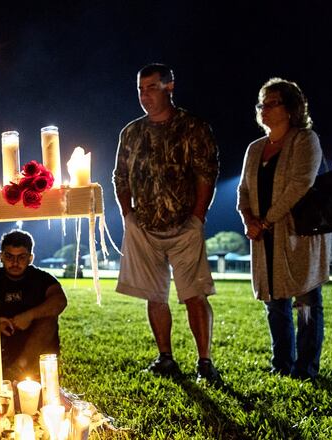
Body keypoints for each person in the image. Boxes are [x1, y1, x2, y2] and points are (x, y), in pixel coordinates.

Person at [112, 63, 221, 383]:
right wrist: (127, 215)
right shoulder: (131, 132)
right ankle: (166, 357)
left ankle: (204, 362)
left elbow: (206, 174)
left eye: (151, 88)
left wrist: (197, 218)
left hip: (185, 225)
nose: (145, 95)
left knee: (194, 294)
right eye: (140, 89)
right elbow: (121, 176)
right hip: (144, 227)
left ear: (169, 87)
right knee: (154, 295)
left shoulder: (192, 127)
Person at [237, 78, 332, 379]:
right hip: (264, 237)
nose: (263, 109)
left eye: (271, 103)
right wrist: (249, 221)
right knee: (274, 303)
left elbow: (299, 185)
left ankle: (305, 369)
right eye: (261, 104)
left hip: (299, 236)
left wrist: (266, 220)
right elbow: (243, 191)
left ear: (291, 108)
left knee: (306, 302)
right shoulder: (255, 149)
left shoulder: (305, 140)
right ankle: (281, 364)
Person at [0, 230, 67, 381]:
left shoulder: (42, 278)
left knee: (48, 319)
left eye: (21, 257)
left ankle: (18, 369)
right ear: (1, 256)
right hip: (0, 338)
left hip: (32, 343)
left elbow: (60, 300)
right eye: (9, 257)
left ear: (30, 258)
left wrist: (30, 315)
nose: (15, 263)